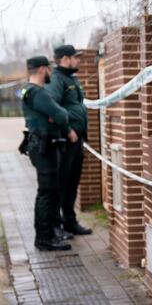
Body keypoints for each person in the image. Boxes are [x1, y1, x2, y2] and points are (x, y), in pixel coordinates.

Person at [21, 56, 78, 251]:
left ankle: (51, 232)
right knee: (47, 193)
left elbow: (56, 115)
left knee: (50, 192)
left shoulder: (27, 91)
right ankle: (45, 238)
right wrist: (56, 115)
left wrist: (54, 115)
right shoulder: (37, 93)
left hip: (40, 146)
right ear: (42, 69)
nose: (51, 73)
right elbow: (62, 114)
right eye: (49, 70)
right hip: (44, 147)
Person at [45, 45, 92, 236]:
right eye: (75, 57)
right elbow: (51, 108)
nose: (78, 60)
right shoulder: (56, 79)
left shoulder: (71, 78)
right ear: (65, 58)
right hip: (66, 139)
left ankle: (69, 222)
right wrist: (68, 129)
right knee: (62, 183)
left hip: (77, 139)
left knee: (72, 183)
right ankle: (56, 226)